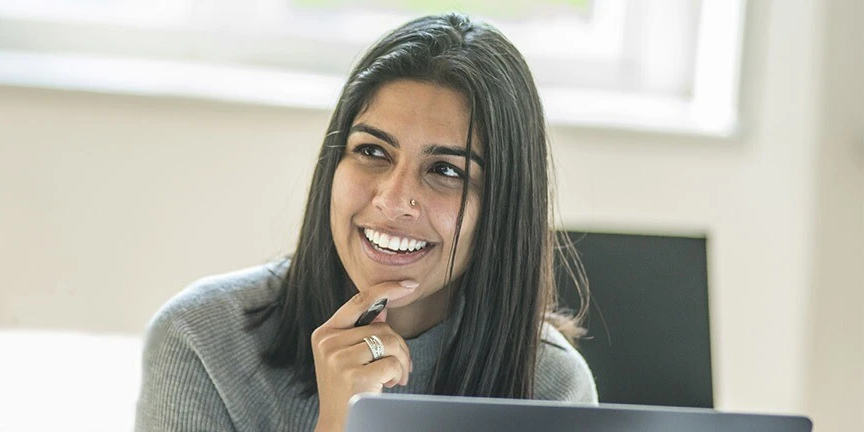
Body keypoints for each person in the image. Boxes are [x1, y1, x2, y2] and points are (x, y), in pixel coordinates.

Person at [134, 12, 597, 432]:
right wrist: (340, 422)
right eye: (372, 151)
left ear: (502, 207)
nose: (393, 200)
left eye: (446, 171)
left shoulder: (552, 386)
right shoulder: (199, 342)